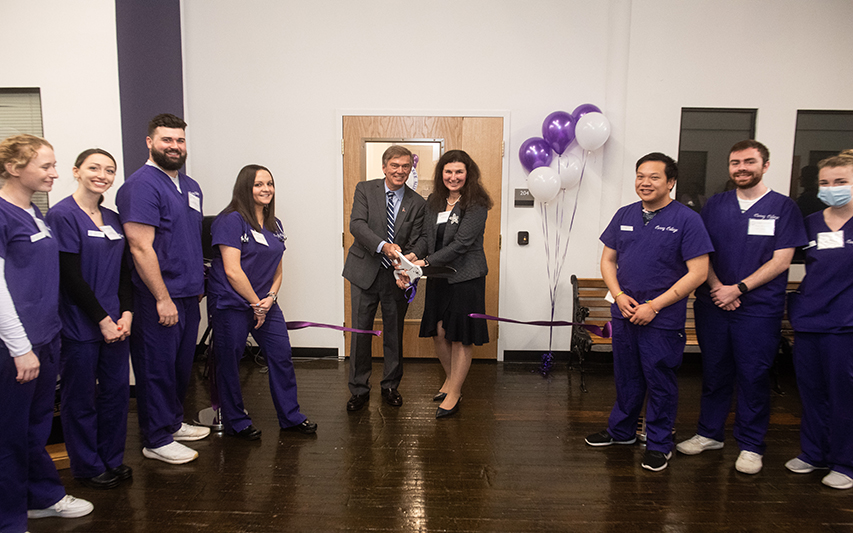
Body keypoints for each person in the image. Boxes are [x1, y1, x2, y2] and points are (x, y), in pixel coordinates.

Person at [676, 140, 807, 474]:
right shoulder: (716, 205)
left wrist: (740, 288)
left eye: (749, 161)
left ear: (764, 165)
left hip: (758, 308)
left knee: (753, 375)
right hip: (714, 303)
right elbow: (701, 253)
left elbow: (782, 260)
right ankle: (709, 434)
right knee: (715, 372)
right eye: (735, 163)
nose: (741, 168)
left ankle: (751, 445)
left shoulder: (783, 207)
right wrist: (718, 287)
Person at [585, 152, 712, 472]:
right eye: (640, 175)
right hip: (625, 312)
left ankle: (658, 442)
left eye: (654, 177)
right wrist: (618, 295)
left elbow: (698, 273)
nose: (645, 182)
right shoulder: (624, 214)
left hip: (662, 318)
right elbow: (608, 260)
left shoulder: (687, 220)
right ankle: (622, 432)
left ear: (671, 182)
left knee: (659, 380)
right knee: (626, 376)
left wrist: (655, 306)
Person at [0, 135, 93, 532]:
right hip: (16, 346)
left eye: (55, 165)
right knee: (9, 436)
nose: (55, 173)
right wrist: (20, 347)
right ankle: (9, 519)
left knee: (35, 428)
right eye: (46, 166)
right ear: (14, 168)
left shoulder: (35, 212)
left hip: (46, 337)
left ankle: (42, 498)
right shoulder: (2, 215)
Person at [116, 113, 209, 465]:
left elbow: (188, 238)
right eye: (166, 140)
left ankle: (171, 422)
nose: (174, 146)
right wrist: (162, 297)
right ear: (150, 142)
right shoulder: (141, 186)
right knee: (156, 366)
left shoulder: (191, 186)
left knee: (180, 366)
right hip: (159, 297)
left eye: (180, 140)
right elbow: (140, 247)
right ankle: (155, 438)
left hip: (187, 294)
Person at [207, 164, 316, 439]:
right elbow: (232, 270)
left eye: (269, 183)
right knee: (230, 362)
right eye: (258, 184)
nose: (266, 189)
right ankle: (236, 422)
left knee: (280, 356)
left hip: (265, 303)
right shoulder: (230, 220)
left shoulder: (274, 224)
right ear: (246, 187)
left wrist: (270, 298)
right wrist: (256, 302)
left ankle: (291, 417)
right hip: (232, 303)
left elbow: (278, 268)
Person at [45, 149, 133, 489]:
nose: (103, 175)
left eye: (109, 170)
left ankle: (111, 458)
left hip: (117, 321)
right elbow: (70, 277)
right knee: (80, 397)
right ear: (77, 171)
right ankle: (86, 465)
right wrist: (101, 319)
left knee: (115, 393)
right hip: (81, 323)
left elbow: (124, 273)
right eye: (94, 168)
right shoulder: (62, 215)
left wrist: (126, 313)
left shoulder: (112, 217)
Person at [404, 149, 492, 418]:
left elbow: (462, 243)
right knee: (439, 332)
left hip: (466, 277)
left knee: (460, 337)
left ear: (468, 174)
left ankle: (454, 391)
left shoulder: (476, 204)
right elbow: (426, 238)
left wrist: (426, 263)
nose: (453, 177)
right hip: (439, 276)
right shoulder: (434, 201)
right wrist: (412, 256)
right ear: (441, 173)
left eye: (459, 172)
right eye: (448, 171)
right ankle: (452, 379)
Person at [786, 153, 853, 490]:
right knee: (811, 393)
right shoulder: (811, 221)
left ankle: (845, 462)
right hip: (811, 320)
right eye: (826, 183)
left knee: (844, 396)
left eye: (840, 182)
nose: (832, 188)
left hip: (846, 325)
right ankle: (814, 453)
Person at [342, 145, 426, 411]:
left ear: (410, 169)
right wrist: (383, 246)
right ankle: (358, 389)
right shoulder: (365, 189)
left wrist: (408, 258)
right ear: (384, 167)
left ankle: (390, 386)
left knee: (394, 333)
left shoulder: (417, 202)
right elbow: (357, 224)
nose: (400, 171)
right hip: (364, 271)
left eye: (405, 166)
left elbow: (422, 238)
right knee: (360, 332)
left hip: (396, 277)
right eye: (394, 166)